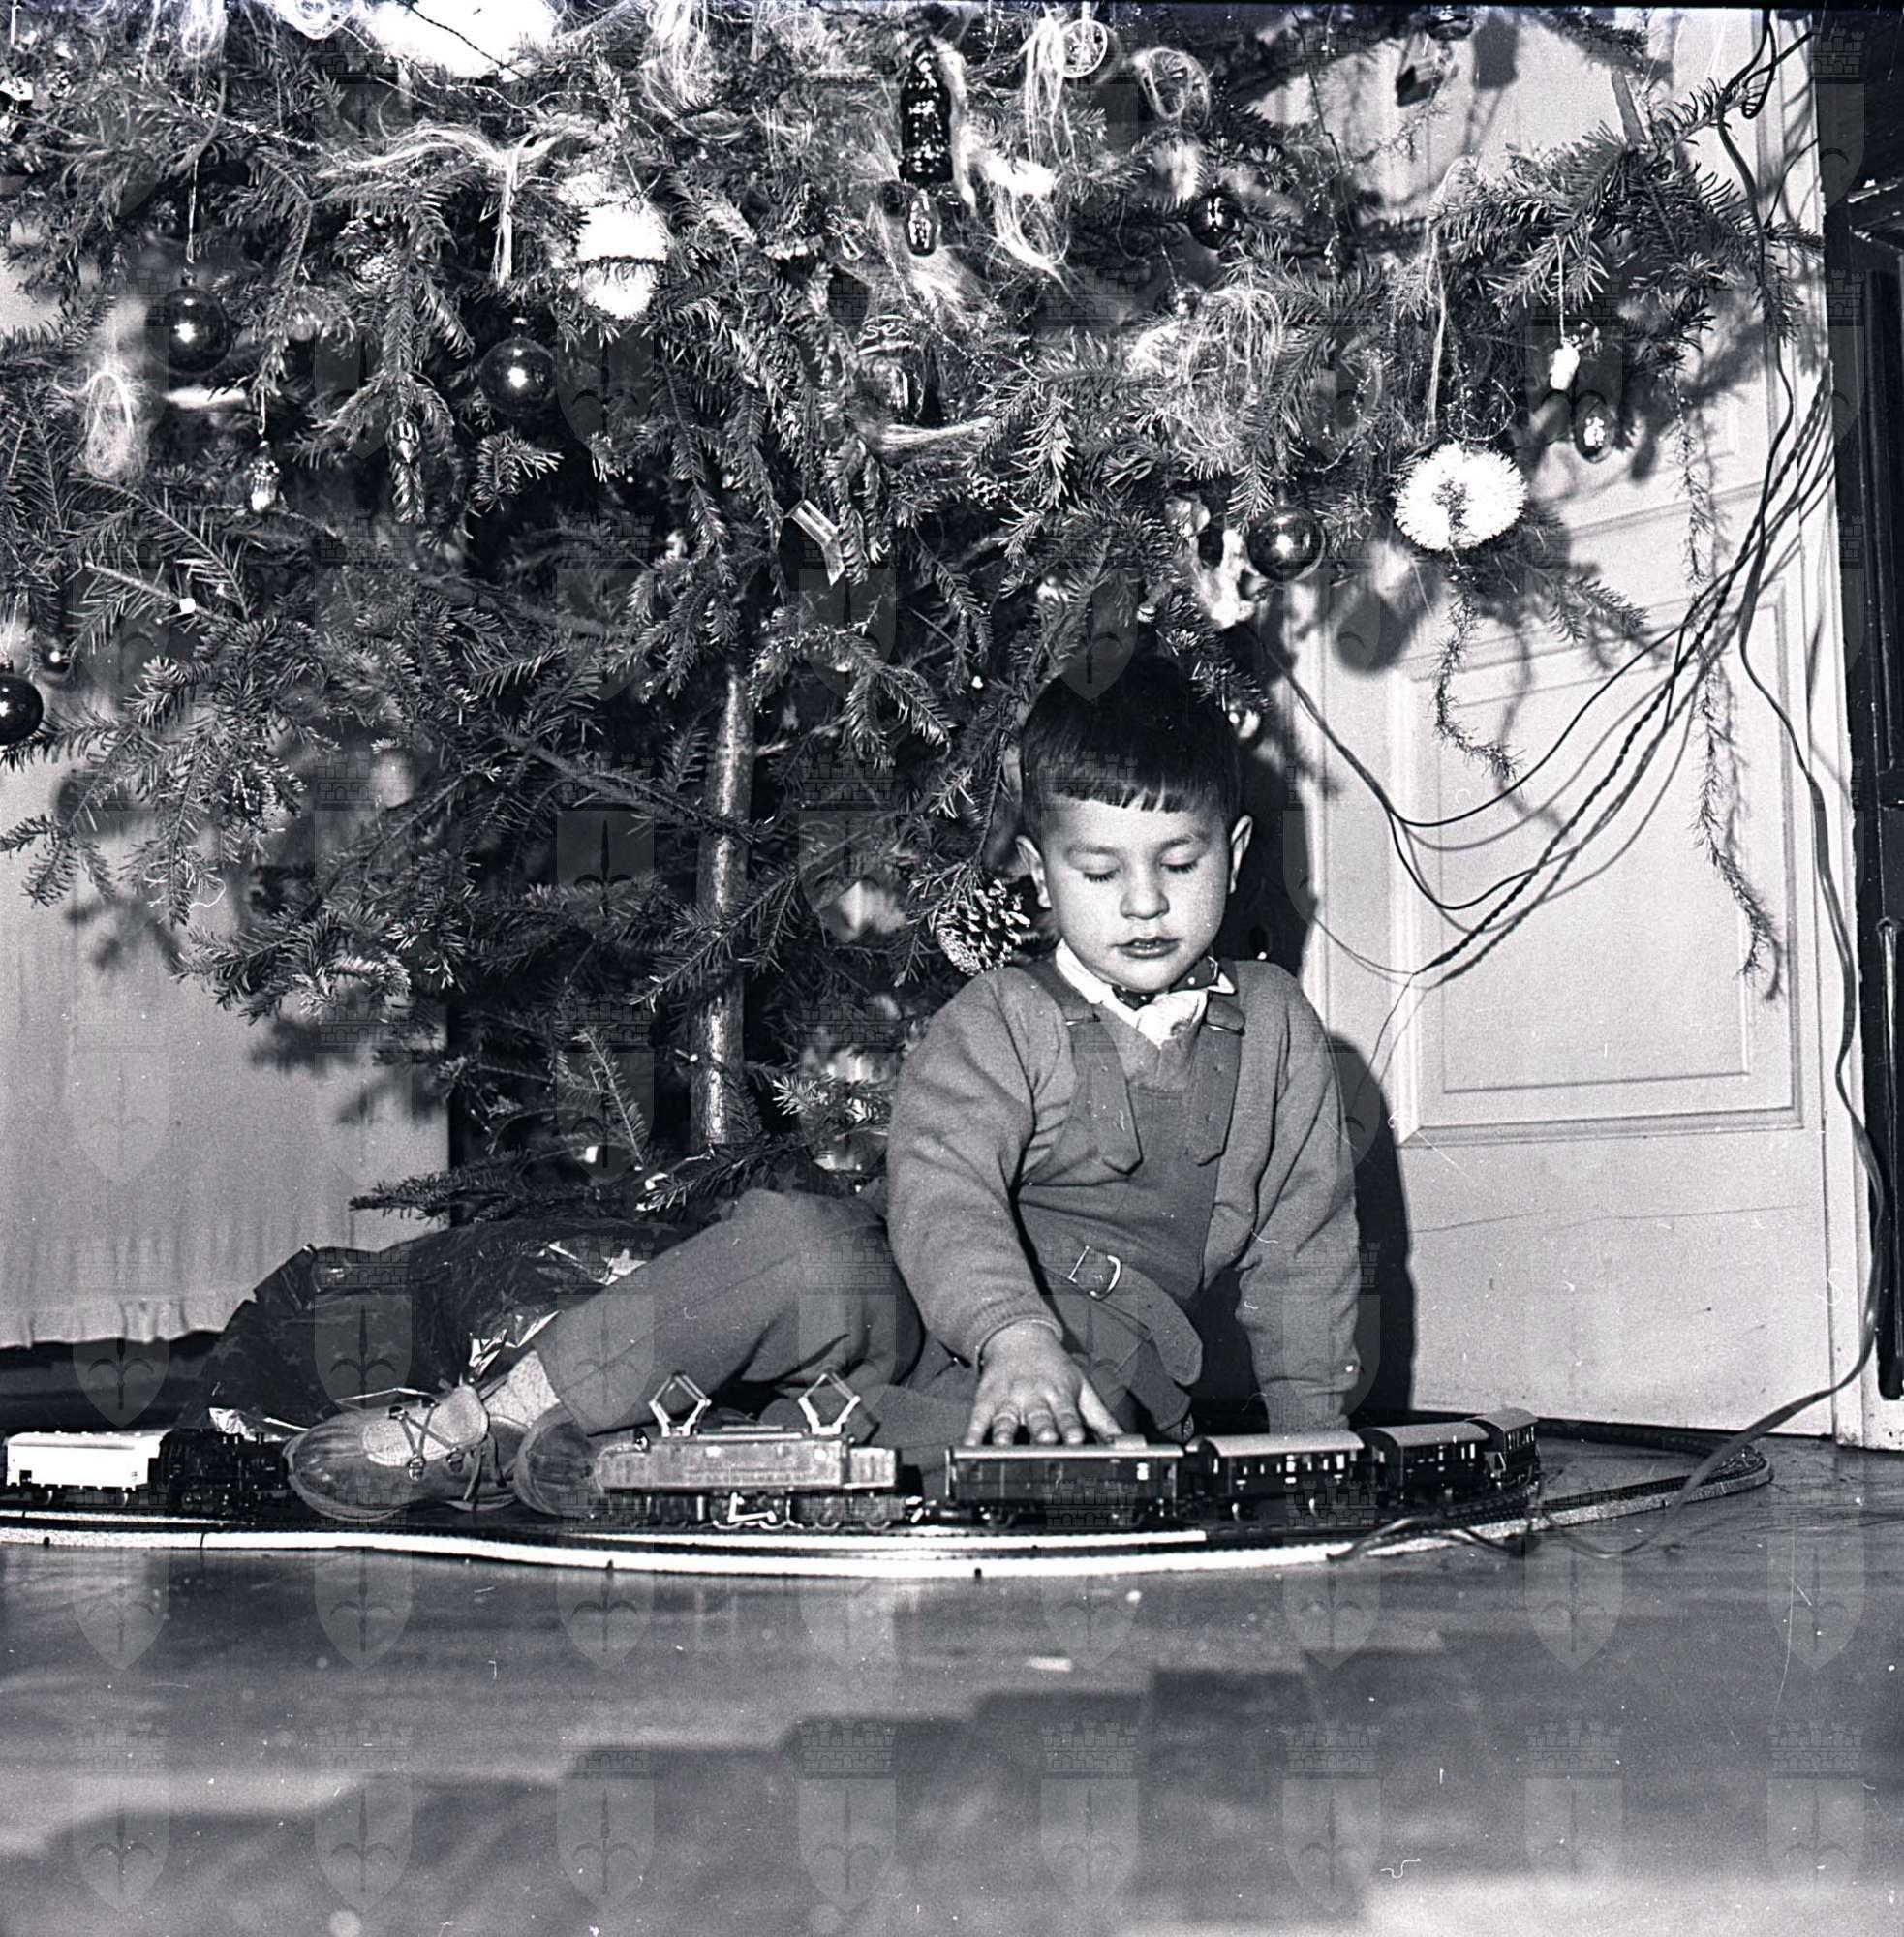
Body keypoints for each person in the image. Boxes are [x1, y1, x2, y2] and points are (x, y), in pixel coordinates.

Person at [285, 651, 1362, 1521]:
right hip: (923, 1303)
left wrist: (1314, 1437)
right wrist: (1010, 1332)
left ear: (1234, 851)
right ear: (1038, 871)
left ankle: (691, 1461)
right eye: (1100, 870)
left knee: (1073, 1444)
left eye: (1179, 863)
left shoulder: (1277, 1033)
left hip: (1102, 1358)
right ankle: (498, 1416)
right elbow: (944, 1191)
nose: (1144, 903)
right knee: (798, 1245)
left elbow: (1305, 1253)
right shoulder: (1002, 1014)